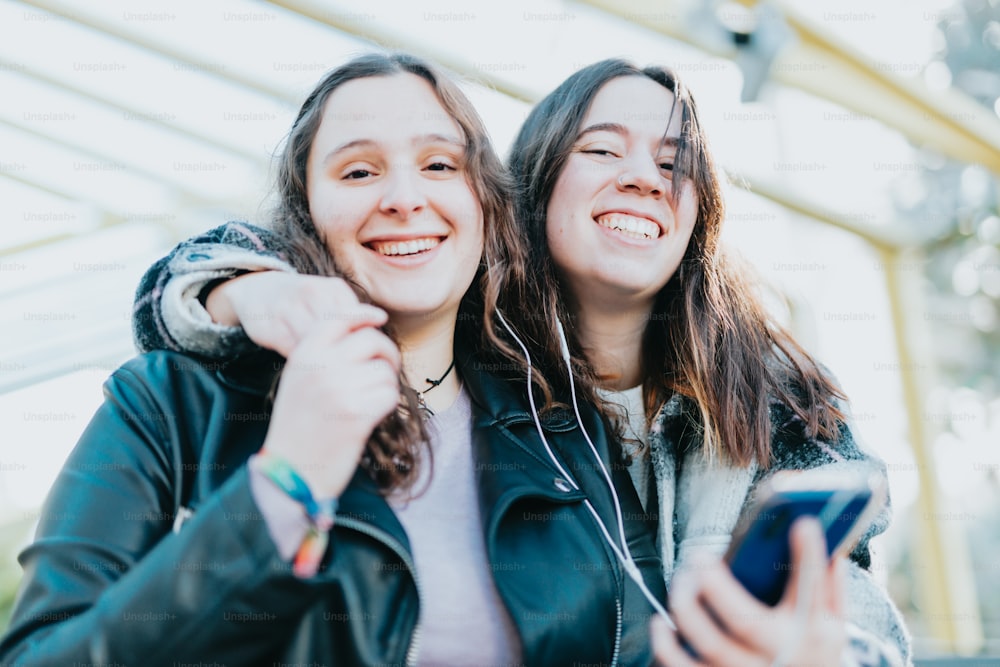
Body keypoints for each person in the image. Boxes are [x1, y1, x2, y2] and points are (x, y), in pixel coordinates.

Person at [115, 60, 910, 666]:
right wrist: (250, 292)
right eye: (603, 148)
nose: (644, 176)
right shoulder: (476, 357)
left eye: (676, 162)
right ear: (526, 185)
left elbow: (861, 621)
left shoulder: (770, 396)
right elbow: (209, 269)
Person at [0, 53, 666, 667]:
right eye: (358, 170)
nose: (405, 198)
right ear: (307, 211)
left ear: (486, 204)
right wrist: (282, 485)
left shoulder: (561, 429)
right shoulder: (168, 405)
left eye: (439, 165)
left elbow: (645, 647)